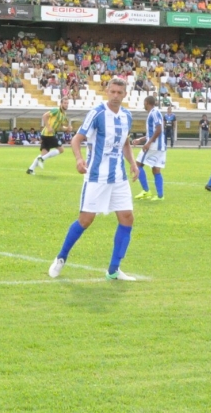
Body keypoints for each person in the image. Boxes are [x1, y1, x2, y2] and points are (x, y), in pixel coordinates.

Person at [48, 79, 139, 281]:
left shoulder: (127, 116)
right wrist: (79, 159)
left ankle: (114, 270)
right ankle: (61, 257)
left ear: (125, 94)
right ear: (107, 92)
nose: (115, 95)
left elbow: (125, 142)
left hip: (119, 177)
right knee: (86, 220)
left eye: (119, 92)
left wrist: (132, 162)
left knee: (127, 218)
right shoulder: (97, 113)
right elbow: (76, 139)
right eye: (112, 91)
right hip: (97, 175)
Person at [133, 96, 167, 201]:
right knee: (156, 169)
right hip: (160, 146)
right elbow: (152, 132)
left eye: (144, 103)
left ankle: (146, 191)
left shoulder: (154, 113)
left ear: (147, 102)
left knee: (138, 164)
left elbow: (159, 129)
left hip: (154, 145)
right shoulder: (154, 113)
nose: (144, 105)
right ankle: (160, 196)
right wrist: (141, 140)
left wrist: (148, 143)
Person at [27, 98, 71, 175]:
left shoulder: (64, 115)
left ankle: (30, 169)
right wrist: (48, 127)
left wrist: (66, 128)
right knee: (61, 149)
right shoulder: (56, 110)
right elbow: (44, 116)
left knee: (44, 153)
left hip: (47, 135)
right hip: (49, 134)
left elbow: (60, 127)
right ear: (61, 104)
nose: (66, 105)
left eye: (67, 103)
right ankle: (42, 159)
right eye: (65, 103)